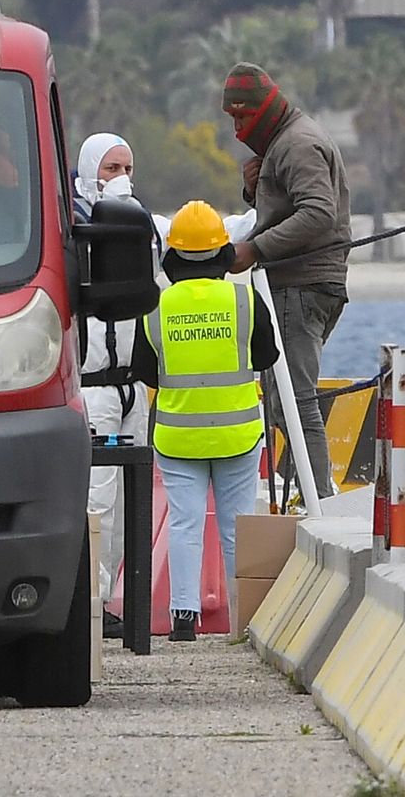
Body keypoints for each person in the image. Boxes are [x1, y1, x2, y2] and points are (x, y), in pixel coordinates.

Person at [130, 200, 278, 642]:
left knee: (185, 524)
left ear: (172, 256)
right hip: (238, 432)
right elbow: (267, 356)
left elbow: (143, 369)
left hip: (178, 436)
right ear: (223, 254)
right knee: (236, 525)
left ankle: (182, 620)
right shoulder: (245, 298)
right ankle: (241, 620)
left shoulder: (155, 305)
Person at [222, 62, 351, 505]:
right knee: (282, 400)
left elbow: (318, 212)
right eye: (232, 119)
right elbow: (291, 207)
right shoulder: (285, 142)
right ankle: (310, 494)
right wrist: (253, 190)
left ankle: (320, 500)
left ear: (263, 110)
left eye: (242, 117)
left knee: (295, 400)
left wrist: (254, 250)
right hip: (306, 283)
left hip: (302, 284)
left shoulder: (296, 143)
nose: (238, 128)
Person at [71, 132, 166, 638]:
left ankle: (108, 602)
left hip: (133, 387)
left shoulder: (143, 225)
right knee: (96, 499)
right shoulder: (75, 227)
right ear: (89, 170)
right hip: (93, 386)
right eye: (111, 168)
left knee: (129, 511)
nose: (121, 177)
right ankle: (88, 601)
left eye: (127, 166)